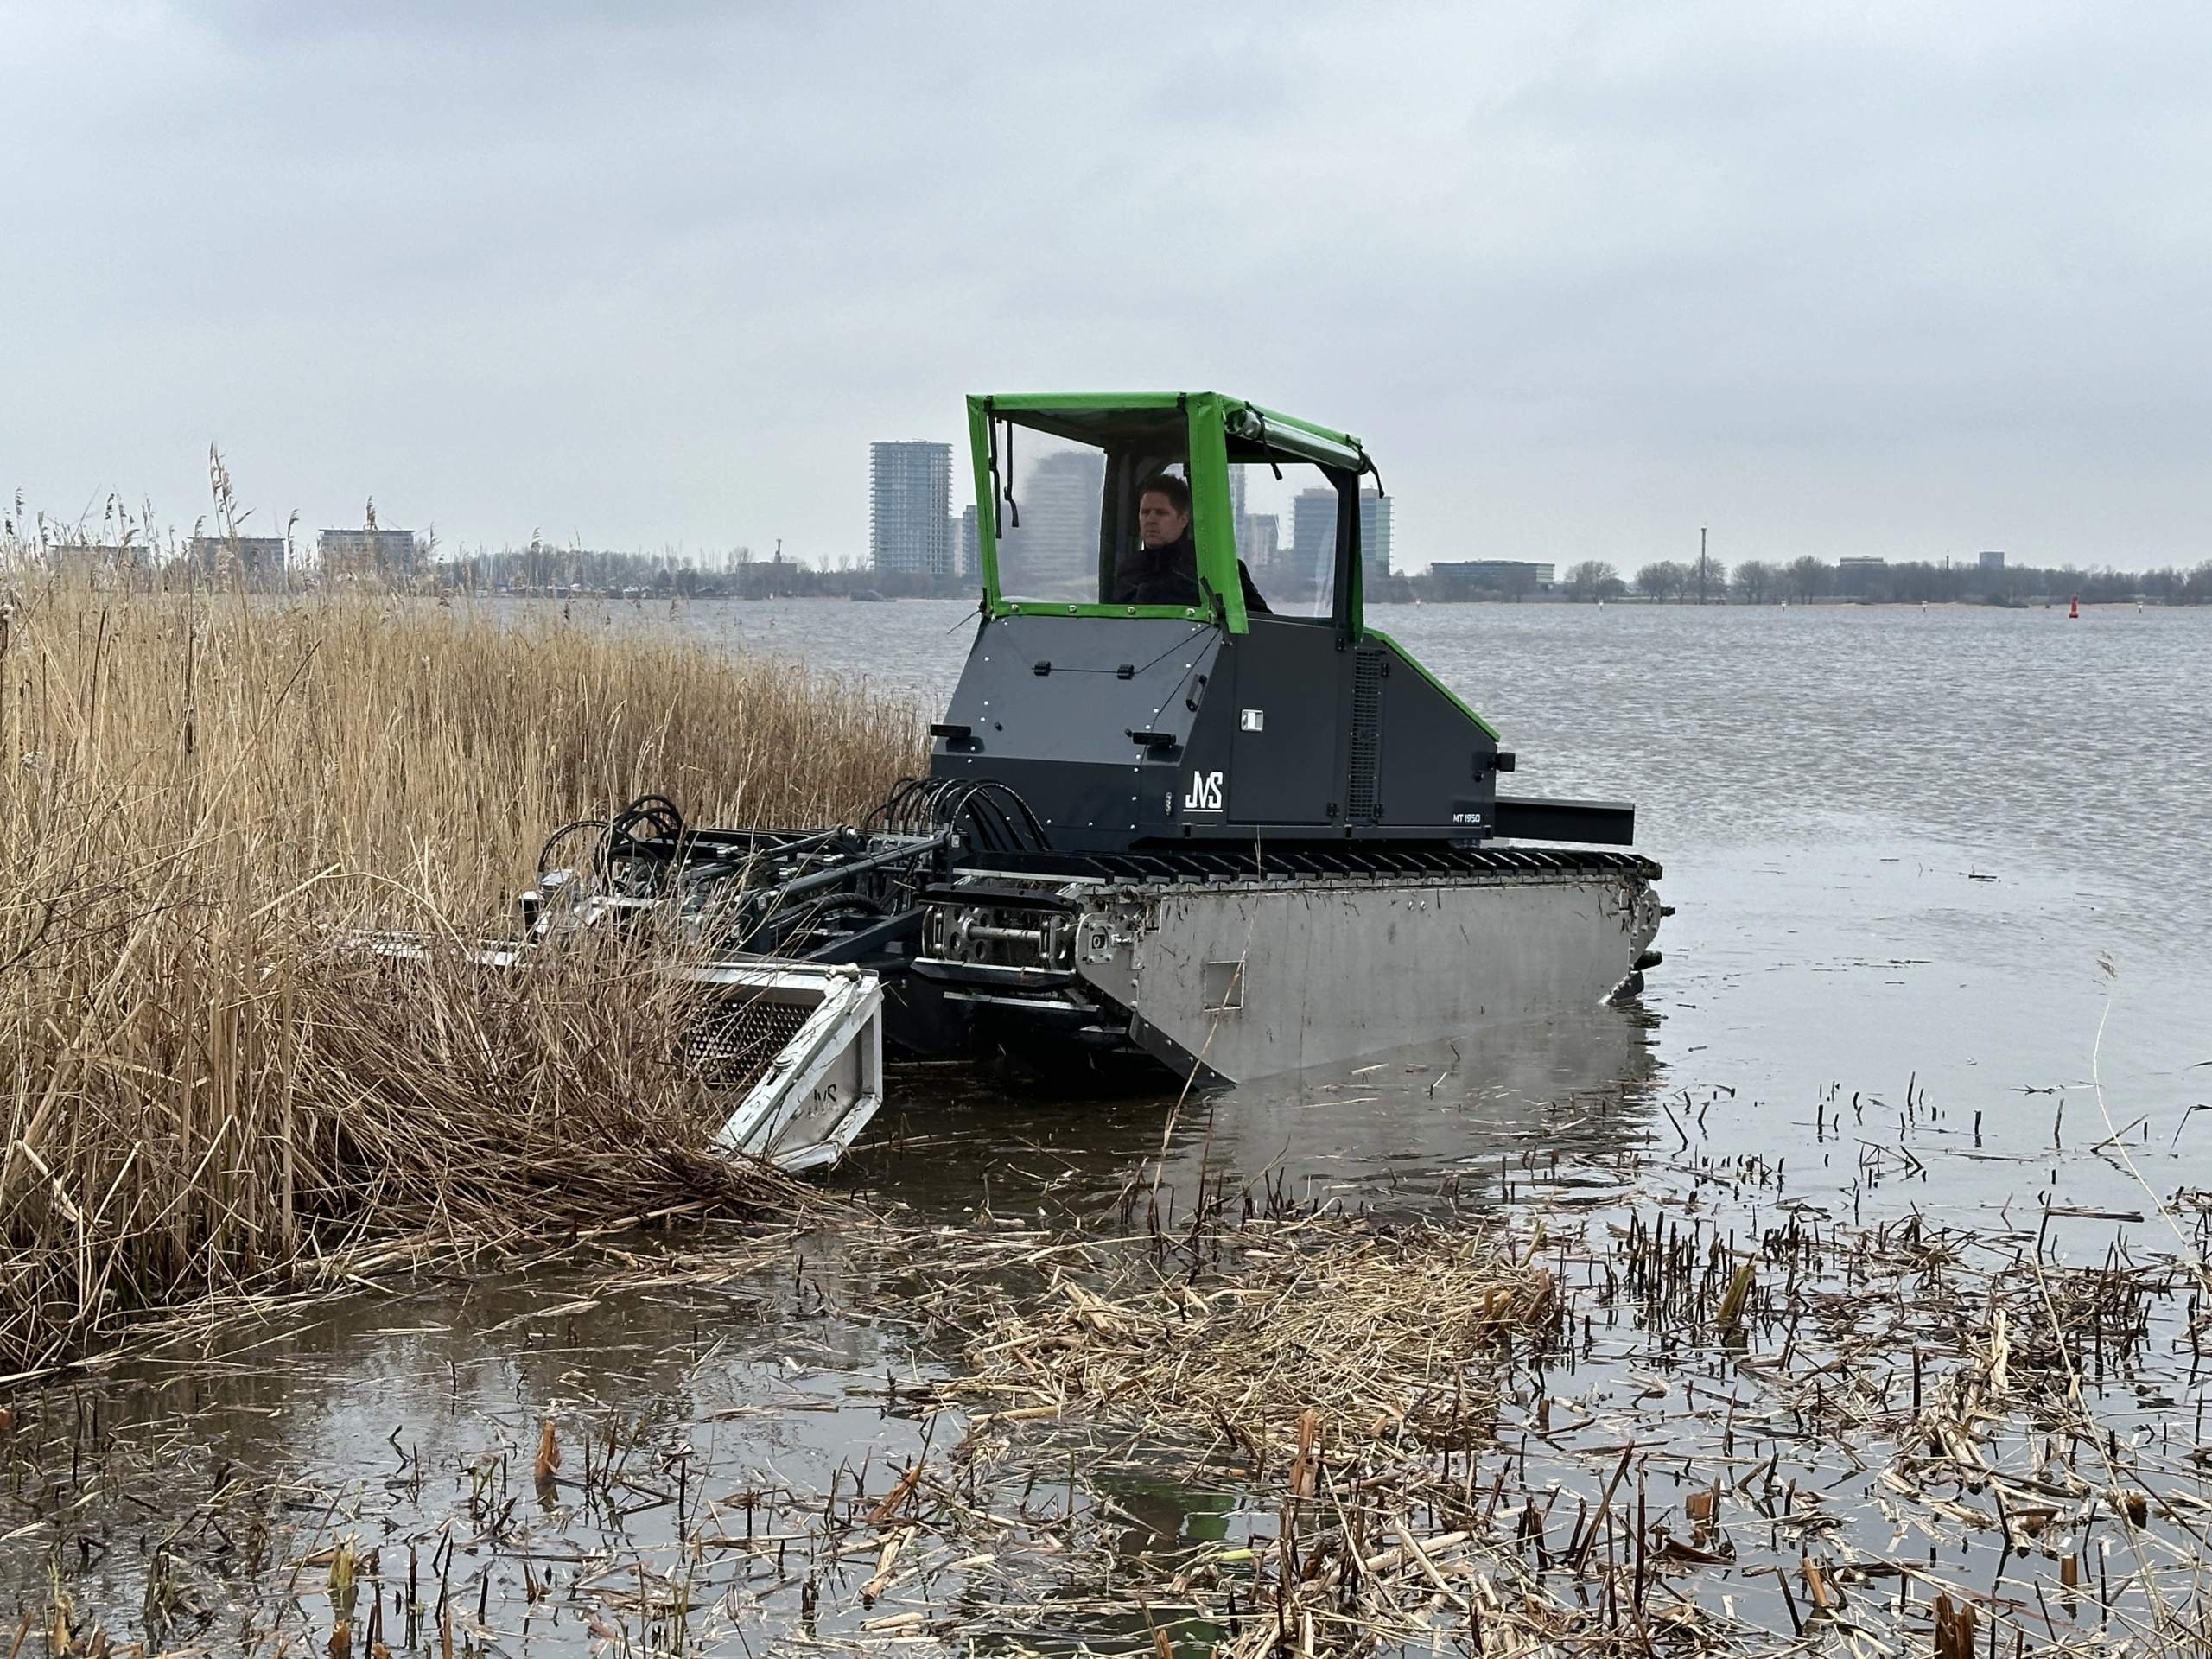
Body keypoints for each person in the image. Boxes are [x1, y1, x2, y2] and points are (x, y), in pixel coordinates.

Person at [1110, 473, 1271, 613]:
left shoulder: (1218, 569)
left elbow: (1261, 625)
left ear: (1183, 520)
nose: (1150, 520)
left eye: (1161, 513)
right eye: (1145, 512)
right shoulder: (1129, 570)